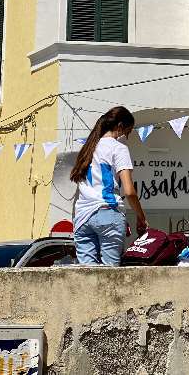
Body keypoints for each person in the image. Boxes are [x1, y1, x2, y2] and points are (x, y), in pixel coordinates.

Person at [70, 106, 148, 266]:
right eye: (127, 131)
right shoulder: (118, 148)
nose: (125, 136)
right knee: (110, 273)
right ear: (120, 126)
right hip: (108, 212)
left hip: (82, 217)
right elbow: (129, 191)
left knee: (87, 274)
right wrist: (141, 217)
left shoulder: (87, 149)